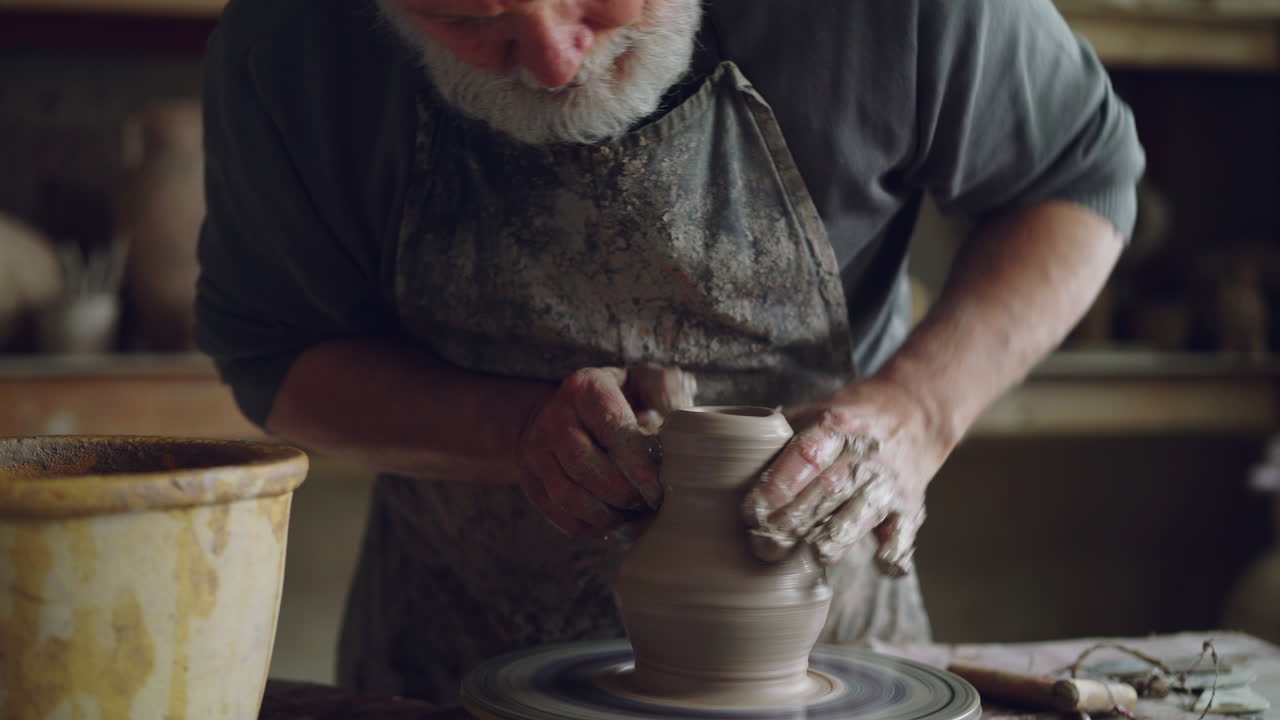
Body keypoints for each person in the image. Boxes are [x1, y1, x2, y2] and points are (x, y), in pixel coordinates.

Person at [196, 0, 1146, 705]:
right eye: (470, 17)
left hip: (827, 662)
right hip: (456, 660)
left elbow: (1081, 175)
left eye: (592, 0)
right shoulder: (290, 40)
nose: (551, 62)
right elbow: (274, 353)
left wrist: (916, 413)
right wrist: (512, 430)